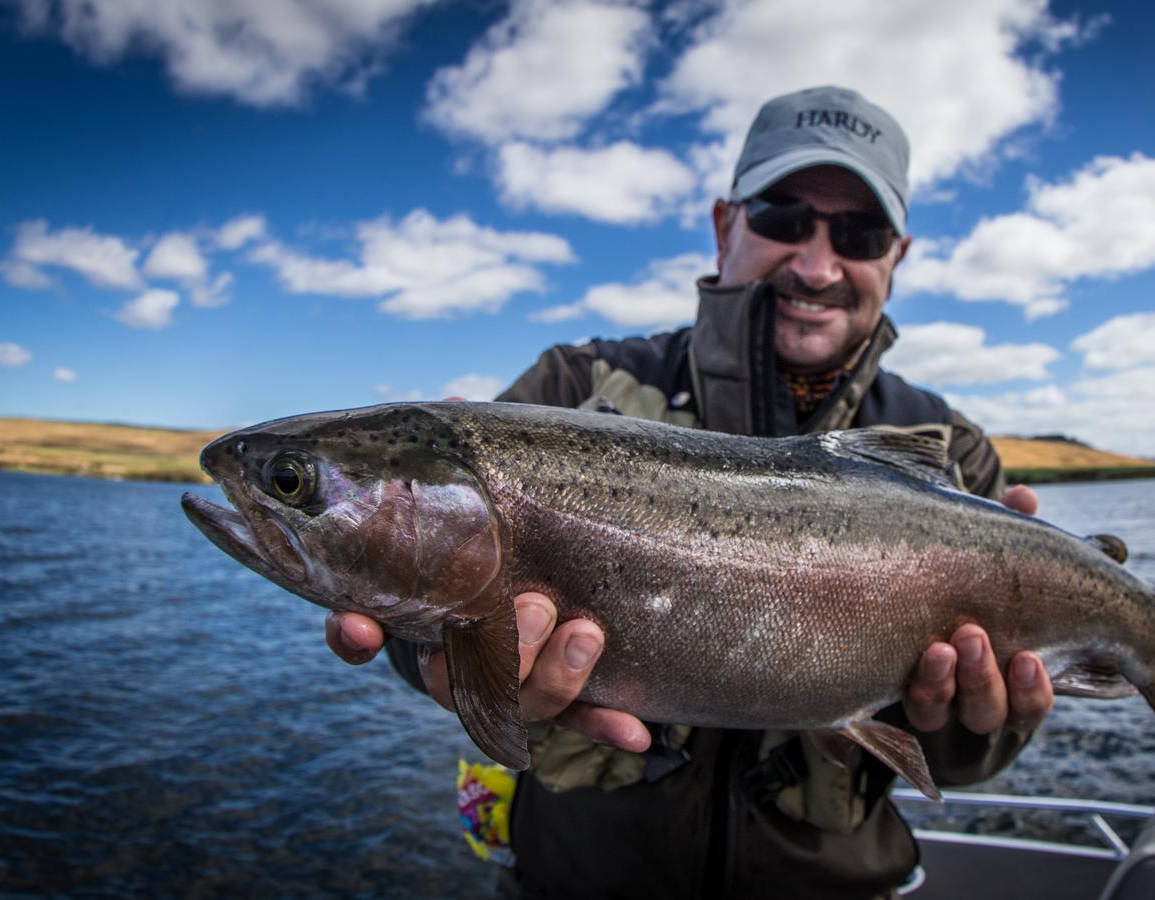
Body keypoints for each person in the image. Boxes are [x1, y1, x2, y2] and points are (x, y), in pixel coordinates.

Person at [325, 85, 1055, 899]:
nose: (817, 264)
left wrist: (969, 721)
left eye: (858, 233)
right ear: (724, 225)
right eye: (783, 218)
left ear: (896, 256)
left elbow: (977, 753)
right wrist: (431, 651)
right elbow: (417, 603)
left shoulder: (952, 455)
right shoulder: (571, 387)